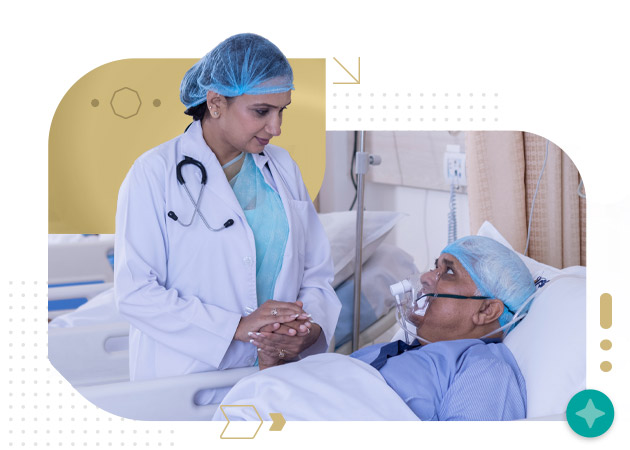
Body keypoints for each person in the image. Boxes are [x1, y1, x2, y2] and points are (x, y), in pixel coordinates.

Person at [114, 33, 341, 405]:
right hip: (189, 382)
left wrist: (309, 329)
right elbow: (136, 292)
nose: (277, 127)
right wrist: (235, 328)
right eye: (262, 111)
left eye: (283, 110)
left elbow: (315, 273)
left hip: (276, 375)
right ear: (216, 102)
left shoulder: (283, 168)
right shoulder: (154, 173)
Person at [233, 236, 535, 420]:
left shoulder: (483, 368)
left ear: (487, 310)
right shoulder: (389, 351)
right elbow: (293, 403)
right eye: (436, 264)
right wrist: (275, 360)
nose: (428, 276)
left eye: (449, 271)